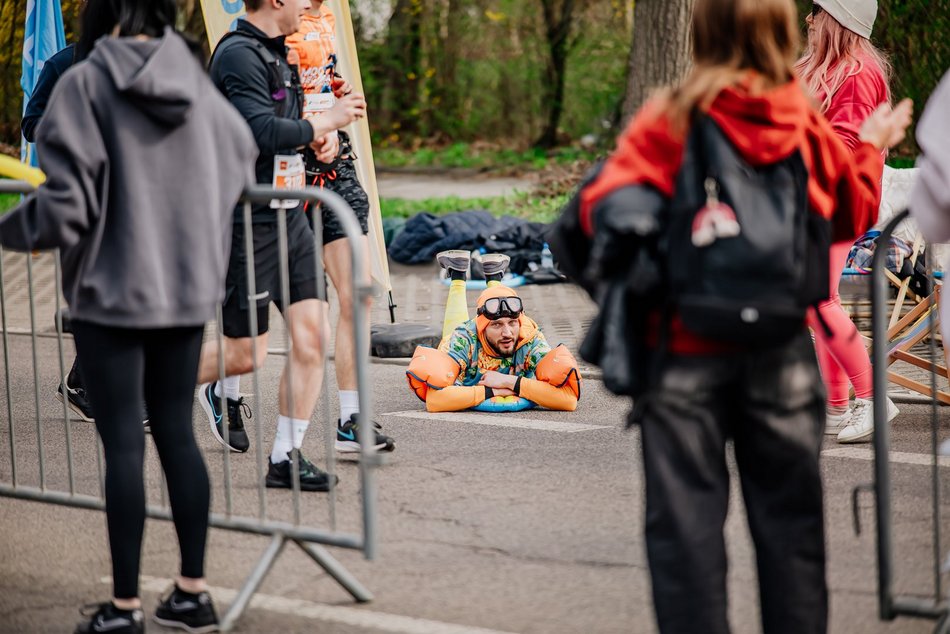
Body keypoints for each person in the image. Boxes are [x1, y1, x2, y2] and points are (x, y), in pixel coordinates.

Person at [577, 0, 912, 631]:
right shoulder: (797, 120)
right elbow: (850, 213)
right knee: (792, 535)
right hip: (778, 349)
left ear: (702, 33)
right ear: (776, 32)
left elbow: (584, 227)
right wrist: (870, 149)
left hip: (679, 352)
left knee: (686, 538)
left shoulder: (668, 117)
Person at [0, 0, 258, 632]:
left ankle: (124, 610)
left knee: (123, 442)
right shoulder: (195, 81)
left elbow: (64, 207)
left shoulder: (85, 82)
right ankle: (193, 594)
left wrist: (11, 226)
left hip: (110, 291)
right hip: (183, 290)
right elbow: (240, 163)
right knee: (175, 433)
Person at [194, 0, 368, 489]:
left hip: (291, 213)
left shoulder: (281, 53)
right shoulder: (237, 55)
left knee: (312, 339)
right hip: (246, 219)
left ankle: (285, 456)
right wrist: (323, 124)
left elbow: (294, 125)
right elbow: (260, 131)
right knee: (245, 354)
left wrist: (320, 140)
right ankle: (142, 379)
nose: (311, 5)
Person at [280, 0, 395, 452]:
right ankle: (223, 386)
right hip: (288, 162)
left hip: (335, 162)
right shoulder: (280, 16)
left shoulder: (326, 16)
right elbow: (268, 93)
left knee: (358, 293)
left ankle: (352, 419)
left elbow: (320, 78)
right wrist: (314, 126)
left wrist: (336, 94)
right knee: (262, 324)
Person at [796, 0, 899, 443]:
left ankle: (875, 399)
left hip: (837, 202)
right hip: (820, 201)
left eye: (817, 11)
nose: (809, 19)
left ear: (837, 20)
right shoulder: (826, 67)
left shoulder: (857, 74)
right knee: (814, 302)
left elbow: (843, 145)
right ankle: (836, 407)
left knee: (820, 300)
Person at [406, 250, 581, 412]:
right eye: (496, 325)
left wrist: (508, 382)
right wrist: (492, 391)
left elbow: (568, 400)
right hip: (463, 340)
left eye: (512, 322)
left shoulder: (529, 338)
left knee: (500, 303)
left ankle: (494, 277)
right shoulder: (464, 338)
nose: (507, 333)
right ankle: (457, 275)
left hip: (500, 375)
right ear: (482, 327)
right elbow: (435, 400)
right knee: (451, 335)